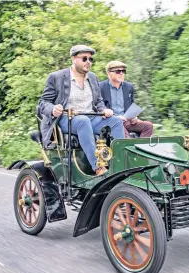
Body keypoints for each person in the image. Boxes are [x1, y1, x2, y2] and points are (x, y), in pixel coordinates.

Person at [38, 45, 124, 176]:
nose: (88, 62)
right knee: (83, 121)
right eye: (84, 58)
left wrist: (104, 109)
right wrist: (53, 109)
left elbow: (98, 102)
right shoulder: (57, 77)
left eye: (90, 59)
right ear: (73, 58)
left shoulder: (93, 78)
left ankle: (120, 165)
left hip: (91, 117)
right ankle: (98, 167)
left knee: (117, 122)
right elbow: (42, 104)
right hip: (67, 119)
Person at [99, 61, 153, 138]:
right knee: (122, 131)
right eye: (118, 71)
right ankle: (129, 148)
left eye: (123, 71)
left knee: (148, 126)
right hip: (110, 121)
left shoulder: (129, 87)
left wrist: (134, 117)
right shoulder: (100, 87)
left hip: (126, 121)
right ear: (108, 73)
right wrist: (115, 117)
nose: (121, 73)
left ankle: (141, 148)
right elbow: (98, 106)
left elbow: (131, 105)